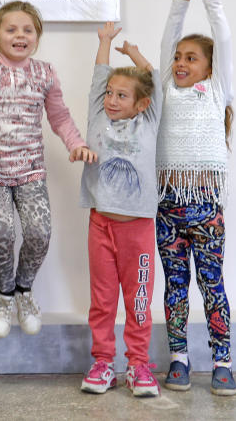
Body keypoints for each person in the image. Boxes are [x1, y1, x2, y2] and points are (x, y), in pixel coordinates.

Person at [0, 0, 93, 339]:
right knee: (1, 233)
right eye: (11, 29)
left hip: (31, 168)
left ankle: (24, 290)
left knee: (39, 233)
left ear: (37, 36)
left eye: (28, 30)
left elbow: (59, 116)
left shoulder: (44, 72)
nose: (20, 35)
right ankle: (4, 295)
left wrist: (75, 143)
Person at [156, 0, 236, 396]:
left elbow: (222, 41)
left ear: (209, 67)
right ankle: (179, 359)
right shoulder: (166, 88)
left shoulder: (217, 88)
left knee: (212, 285)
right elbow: (168, 36)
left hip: (206, 210)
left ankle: (222, 361)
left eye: (191, 58)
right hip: (168, 208)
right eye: (178, 58)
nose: (181, 62)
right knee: (175, 287)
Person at [78, 23, 163, 397]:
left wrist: (133, 55)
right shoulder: (99, 118)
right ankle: (102, 363)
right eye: (110, 94)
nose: (112, 100)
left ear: (141, 104)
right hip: (101, 225)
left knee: (138, 301)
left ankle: (139, 365)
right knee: (102, 300)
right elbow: (99, 79)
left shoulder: (148, 122)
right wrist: (105, 43)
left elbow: (156, 83)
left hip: (138, 229)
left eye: (122, 96)